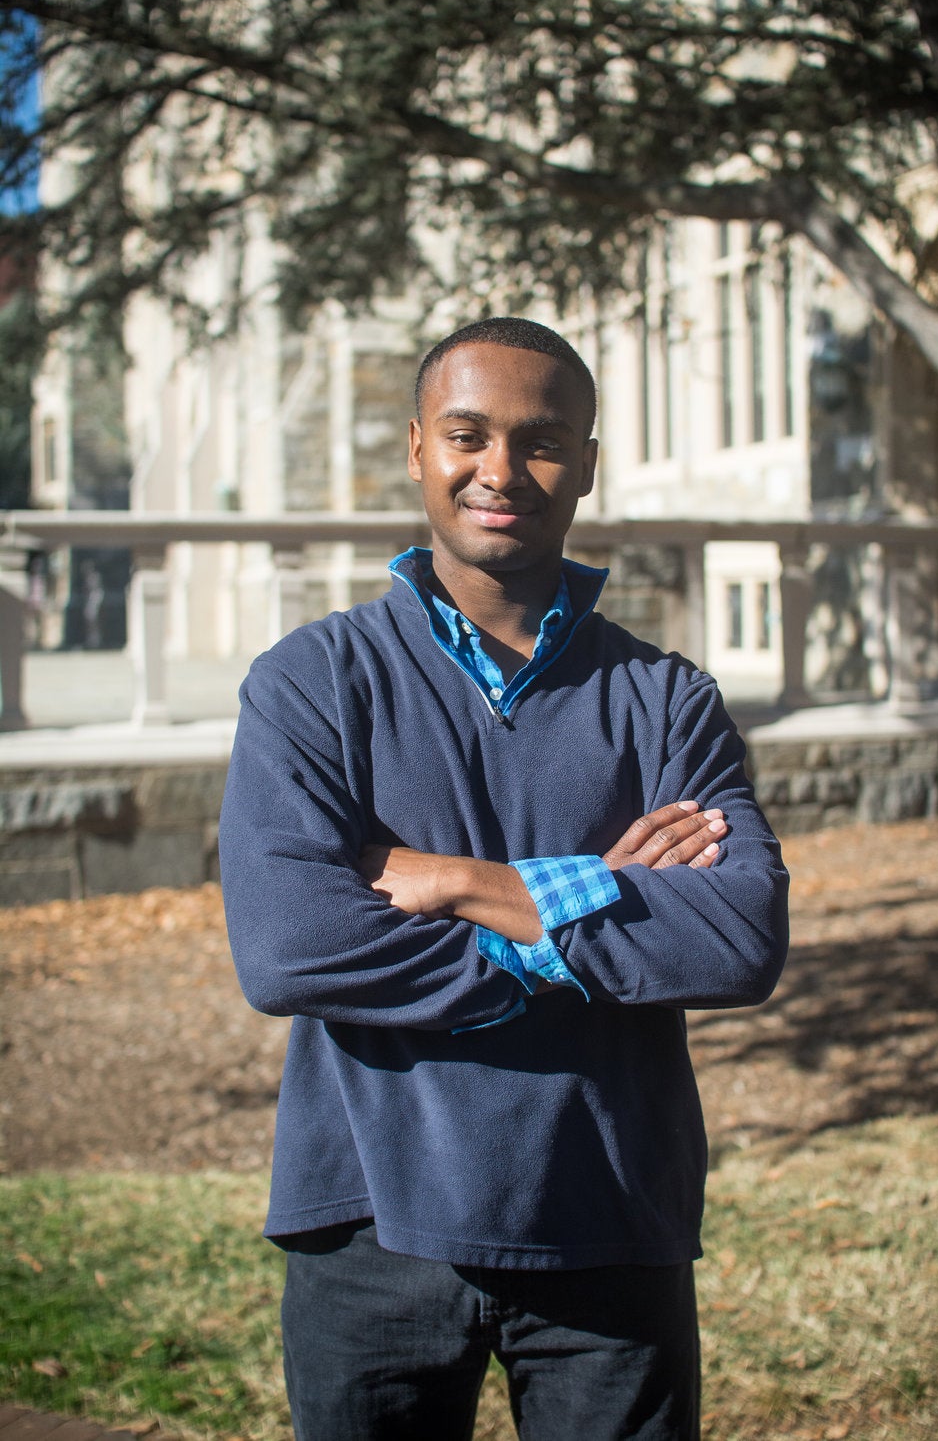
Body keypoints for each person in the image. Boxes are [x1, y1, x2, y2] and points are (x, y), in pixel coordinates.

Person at [219, 316, 789, 1441]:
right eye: (467, 435)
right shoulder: (312, 684)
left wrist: (462, 882)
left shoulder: (665, 700)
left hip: (610, 1214)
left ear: (584, 461)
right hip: (368, 1219)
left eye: (541, 440)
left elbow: (736, 936)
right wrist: (594, 912)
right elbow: (289, 945)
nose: (500, 471)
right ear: (419, 447)